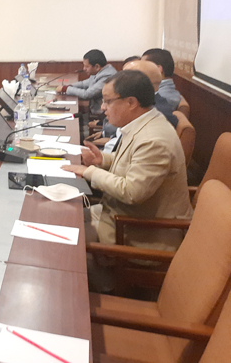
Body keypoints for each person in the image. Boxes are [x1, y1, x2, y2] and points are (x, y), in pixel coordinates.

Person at [61, 70, 193, 290]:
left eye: (108, 101)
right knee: (61, 216)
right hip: (119, 215)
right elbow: (134, 162)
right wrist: (102, 159)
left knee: (62, 245)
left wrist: (89, 172)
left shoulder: (154, 140)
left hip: (140, 233)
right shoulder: (145, 123)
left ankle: (99, 290)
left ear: (131, 102)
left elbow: (132, 192)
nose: (103, 107)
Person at [56, 49, 117, 114]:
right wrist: (69, 86)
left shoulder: (107, 76)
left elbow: (87, 94)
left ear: (97, 67)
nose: (84, 69)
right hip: (93, 110)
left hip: (103, 114)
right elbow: (83, 84)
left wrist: (65, 89)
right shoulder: (99, 72)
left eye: (87, 66)